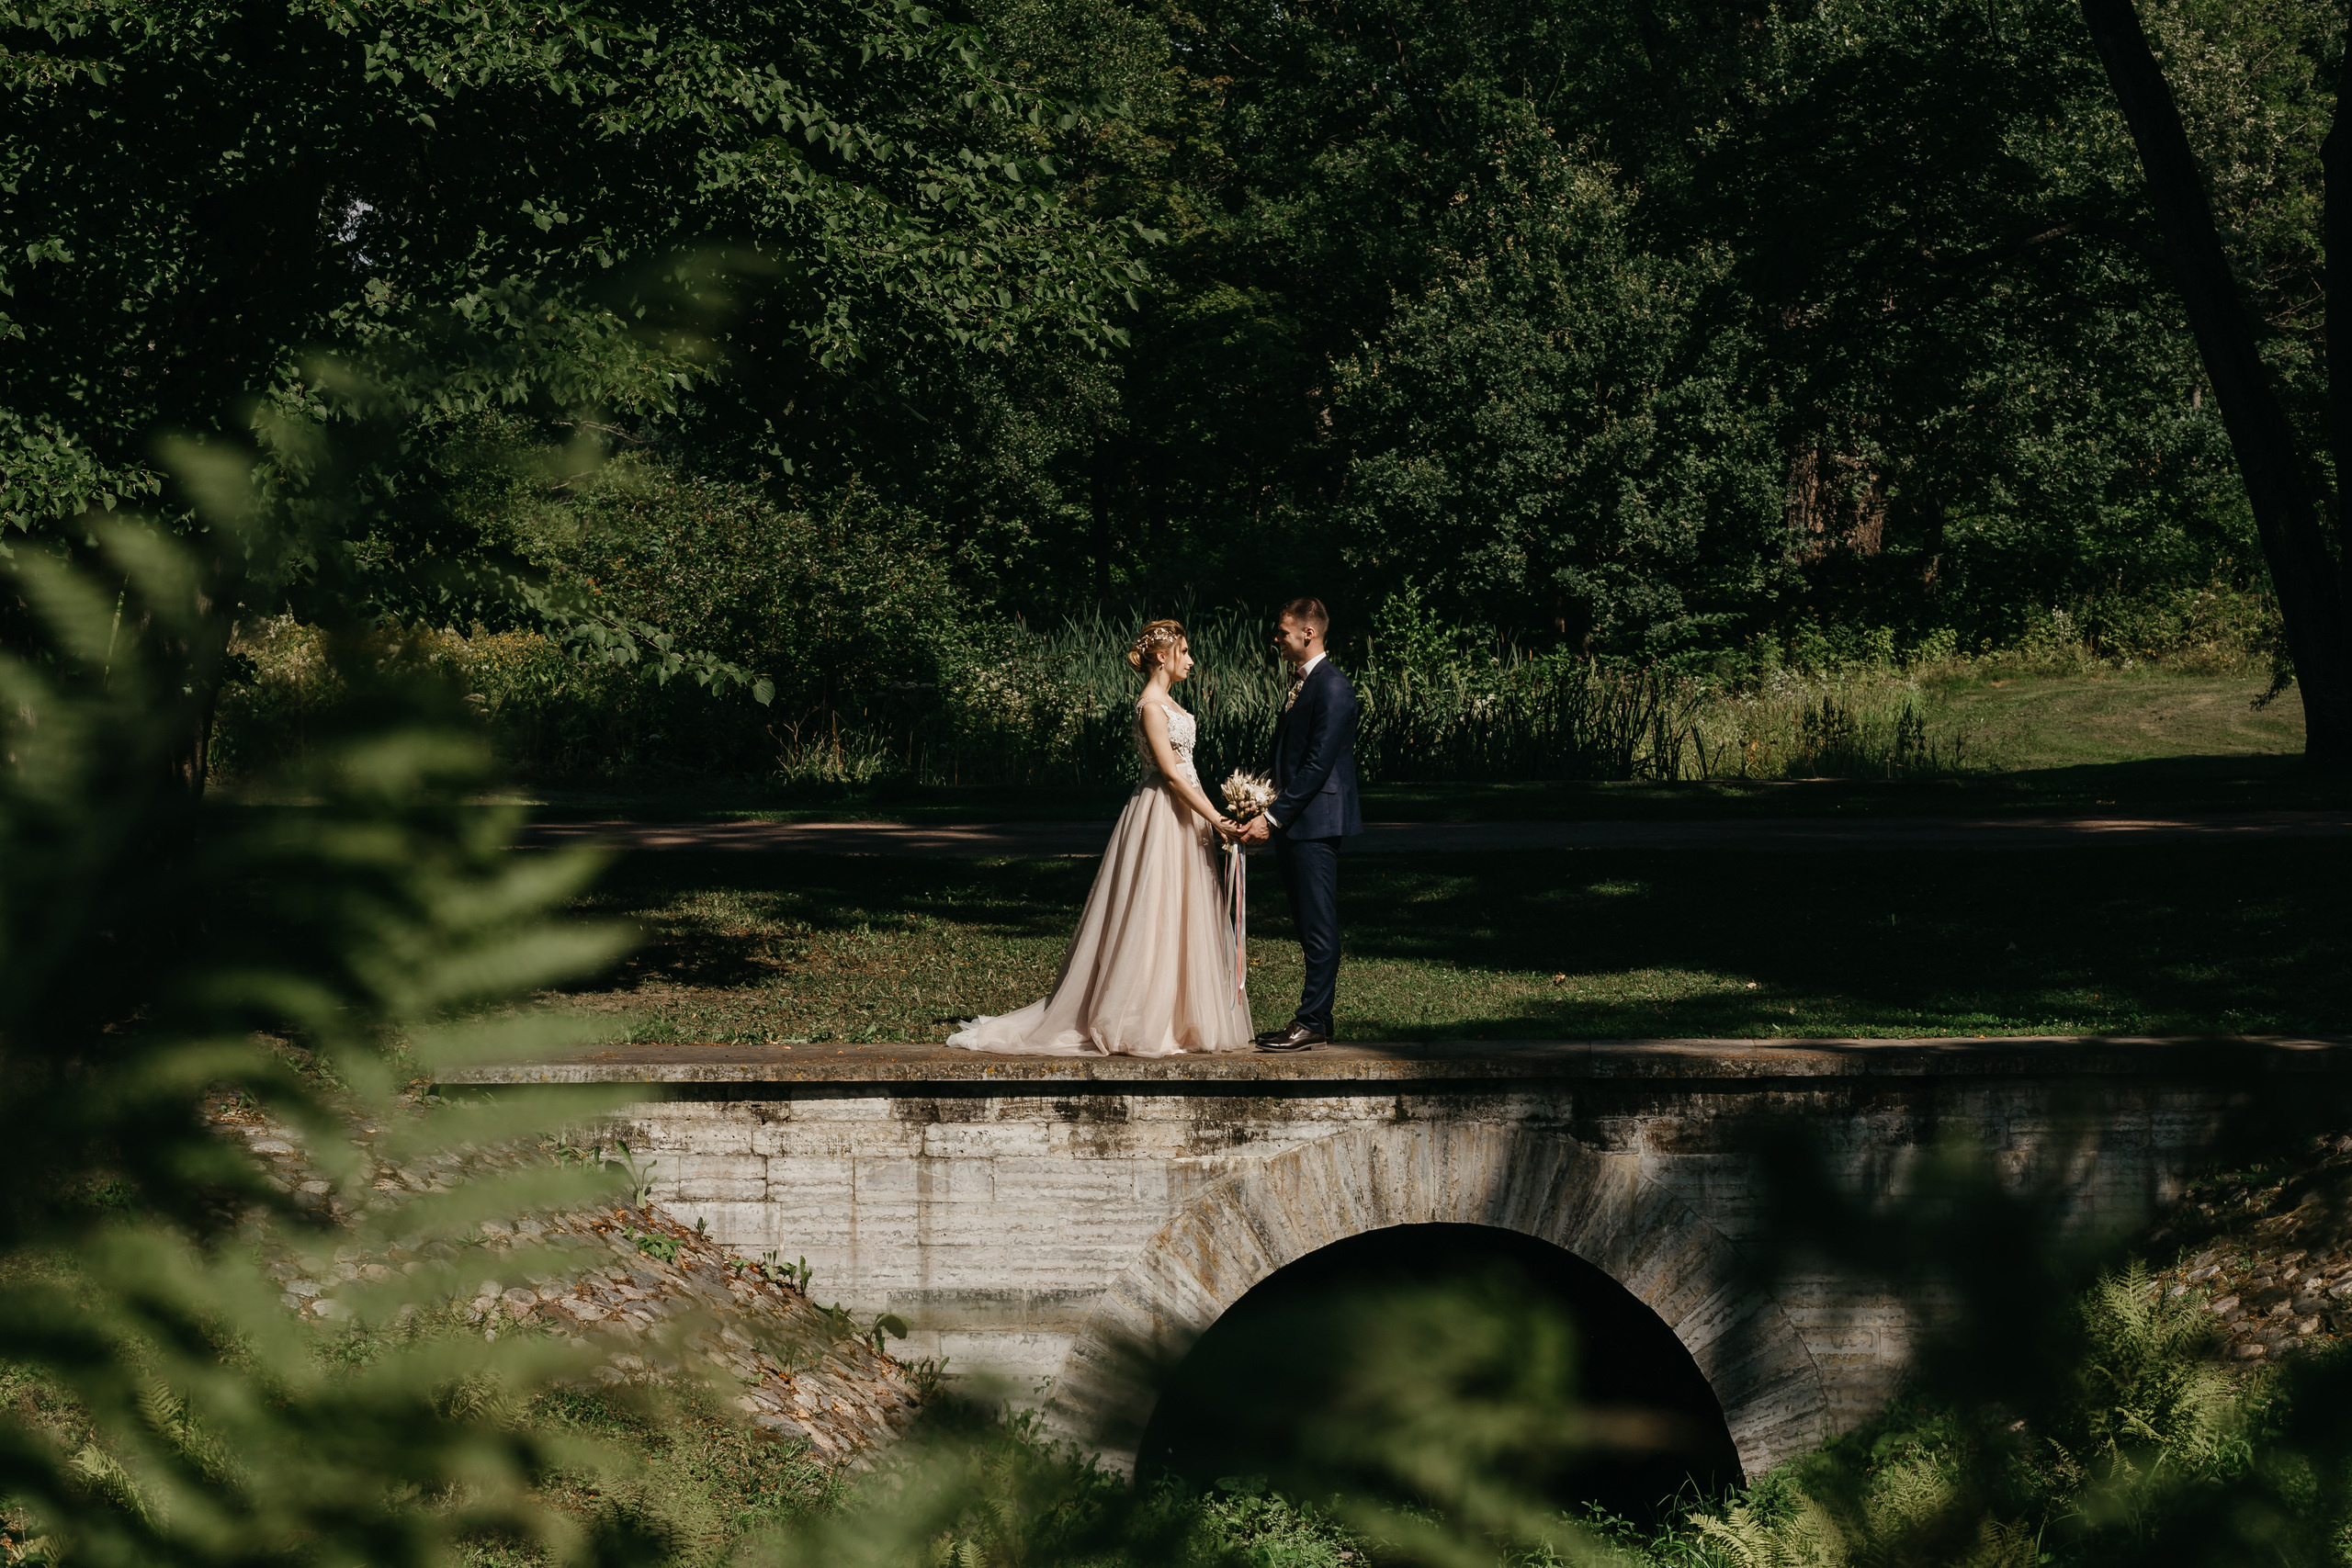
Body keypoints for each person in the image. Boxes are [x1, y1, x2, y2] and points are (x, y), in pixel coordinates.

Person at [946, 620, 1254, 1056]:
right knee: (1152, 909)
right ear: (1162, 657)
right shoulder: (1150, 706)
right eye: (1184, 651)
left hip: (1188, 812)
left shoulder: (1173, 704)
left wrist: (1213, 816)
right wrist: (1216, 818)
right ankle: (1141, 1013)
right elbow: (1168, 773)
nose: (1190, 660)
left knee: (1185, 910)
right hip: (1161, 813)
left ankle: (1180, 1016)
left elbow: (1189, 771)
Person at [1230, 597, 1362, 1051]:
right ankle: (1315, 1021)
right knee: (1308, 924)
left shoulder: (1333, 687)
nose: (1277, 640)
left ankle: (1312, 1022)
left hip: (1316, 823)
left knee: (1319, 925)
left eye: (1282, 632)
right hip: (1297, 822)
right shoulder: (1306, 684)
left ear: (1308, 633)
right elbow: (1288, 761)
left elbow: (1316, 766)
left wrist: (1273, 817)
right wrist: (1257, 801)